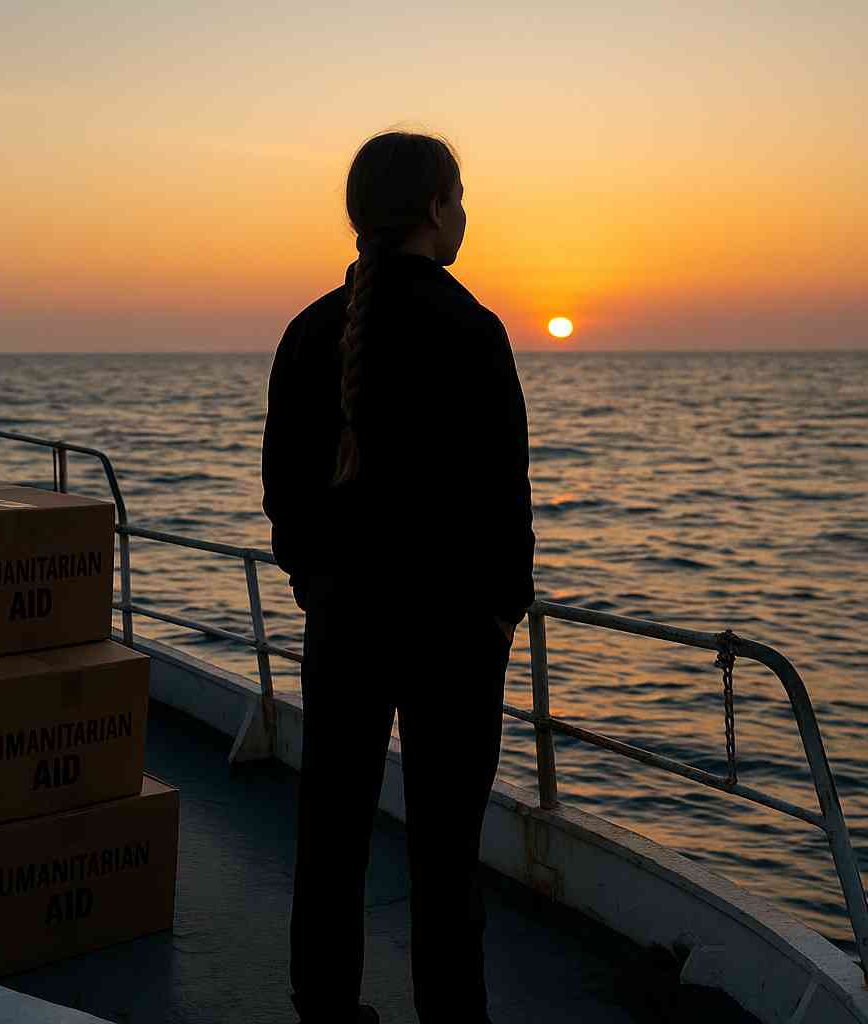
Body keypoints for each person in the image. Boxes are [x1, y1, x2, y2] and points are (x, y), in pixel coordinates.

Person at [261, 131, 536, 1024]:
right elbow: (506, 500)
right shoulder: (472, 330)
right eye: (460, 197)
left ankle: (325, 1011)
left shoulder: (309, 333)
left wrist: (316, 582)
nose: (467, 215)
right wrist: (502, 615)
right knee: (445, 858)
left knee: (330, 835)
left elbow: (283, 489)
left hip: (345, 623)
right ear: (433, 210)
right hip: (455, 640)